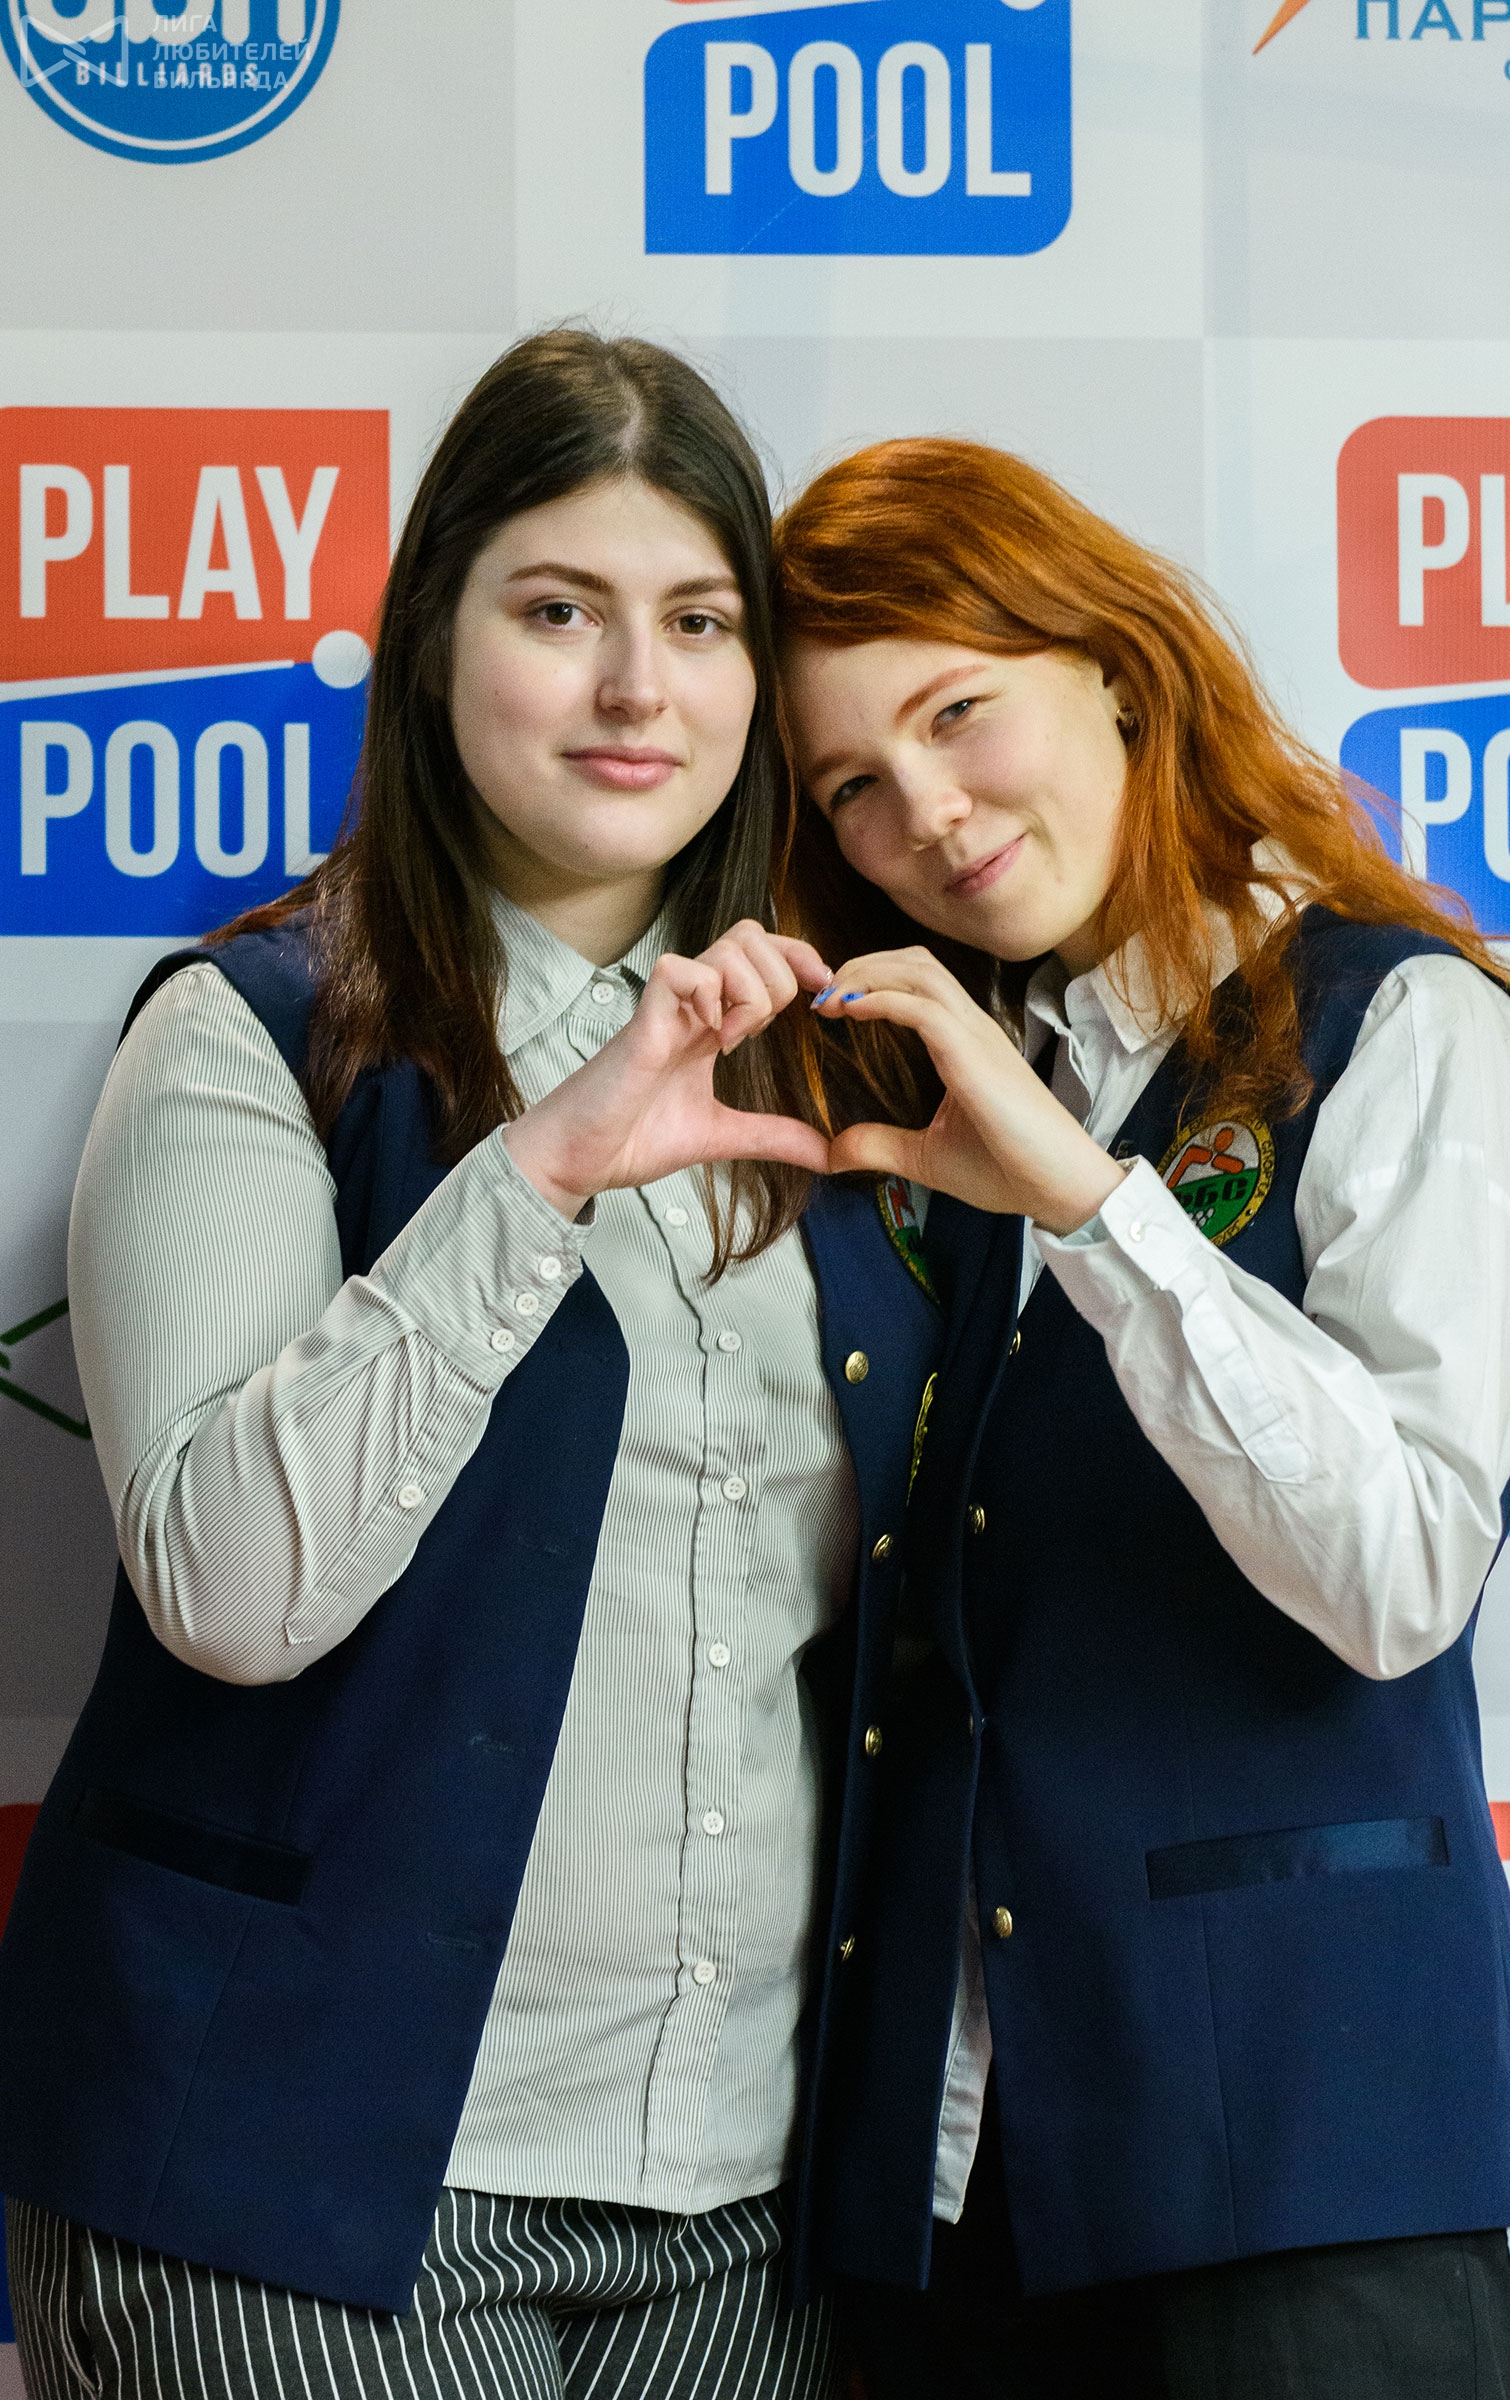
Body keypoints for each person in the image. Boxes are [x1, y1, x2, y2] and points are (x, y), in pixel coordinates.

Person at [0, 336, 945, 2400]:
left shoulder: (847, 1078)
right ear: (432, 637)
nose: (636, 690)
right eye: (559, 612)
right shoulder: (256, 1036)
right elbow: (232, 1594)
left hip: (737, 2197)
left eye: (699, 623)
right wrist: (537, 1174)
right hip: (297, 2172)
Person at [771, 438, 1510, 2399]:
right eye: (851, 786)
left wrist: (1095, 1211)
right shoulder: (961, 1097)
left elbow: (1398, 1573)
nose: (925, 816)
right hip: (954, 2199)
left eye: (955, 713)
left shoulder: (1406, 1023)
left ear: (1117, 670)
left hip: (1311, 2189)